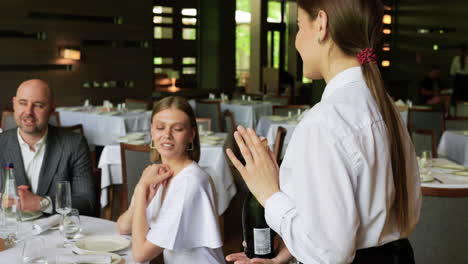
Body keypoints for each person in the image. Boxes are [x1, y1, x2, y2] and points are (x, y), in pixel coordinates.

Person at [226, 0, 421, 263]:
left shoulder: (325, 122)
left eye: (298, 26)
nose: (296, 41)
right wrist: (296, 244)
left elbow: (329, 254)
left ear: (321, 24)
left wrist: (268, 193)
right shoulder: (386, 107)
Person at [116, 96, 224, 264]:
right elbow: (123, 227)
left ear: (191, 135)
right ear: (152, 131)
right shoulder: (156, 174)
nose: (167, 135)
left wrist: (143, 186)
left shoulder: (190, 182)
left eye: (178, 129)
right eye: (160, 127)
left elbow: (141, 254)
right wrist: (141, 193)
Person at [0, 79, 95, 216]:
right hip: (9, 231)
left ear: (51, 109)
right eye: (23, 103)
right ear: (14, 103)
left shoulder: (73, 144)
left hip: (56, 232)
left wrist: (42, 203)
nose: (28, 112)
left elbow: (87, 202)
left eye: (38, 105)